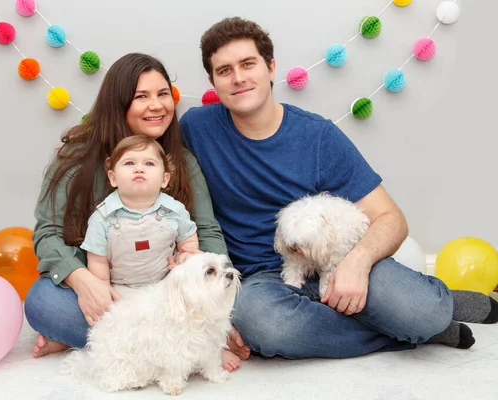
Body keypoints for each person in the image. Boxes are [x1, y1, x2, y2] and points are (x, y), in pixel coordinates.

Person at [179, 17, 498, 360]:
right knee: (266, 328)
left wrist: (358, 262)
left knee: (425, 311)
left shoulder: (318, 136)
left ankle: (432, 314)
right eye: (225, 71)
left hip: (338, 260)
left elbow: (391, 218)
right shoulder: (197, 128)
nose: (238, 78)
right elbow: (147, 161)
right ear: (212, 81)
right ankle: (413, 334)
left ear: (271, 68)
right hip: (263, 280)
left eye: (248, 64)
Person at [24, 52, 246, 371]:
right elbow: (48, 233)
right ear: (119, 102)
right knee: (44, 304)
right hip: (104, 288)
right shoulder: (76, 157)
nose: (156, 105)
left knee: (204, 302)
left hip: (161, 291)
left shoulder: (181, 164)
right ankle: (182, 349)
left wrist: (206, 283)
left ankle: (125, 347)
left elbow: (206, 231)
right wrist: (83, 281)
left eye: (162, 94)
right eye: (141, 96)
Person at [80, 135, 199, 291]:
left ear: (164, 179)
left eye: (149, 163)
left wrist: (188, 255)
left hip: (167, 284)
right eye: (129, 163)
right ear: (113, 178)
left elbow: (188, 241)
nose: (139, 169)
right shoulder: (103, 217)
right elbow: (97, 261)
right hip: (121, 288)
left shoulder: (175, 210)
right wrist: (102, 287)